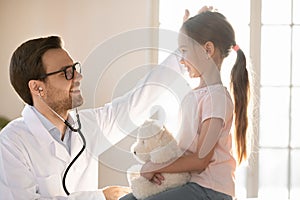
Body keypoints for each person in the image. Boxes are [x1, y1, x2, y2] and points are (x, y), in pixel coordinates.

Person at [0, 15, 193, 200]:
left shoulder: (89, 125)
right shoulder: (12, 142)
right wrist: (100, 197)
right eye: (66, 73)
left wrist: (185, 50)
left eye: (75, 68)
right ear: (37, 87)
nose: (78, 77)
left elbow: (139, 101)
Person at [121, 9, 250, 200]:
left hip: (210, 190)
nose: (181, 60)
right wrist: (164, 171)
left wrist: (155, 167)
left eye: (184, 51)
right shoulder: (195, 95)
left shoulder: (217, 99)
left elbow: (200, 160)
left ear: (207, 49)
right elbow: (185, 149)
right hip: (190, 183)